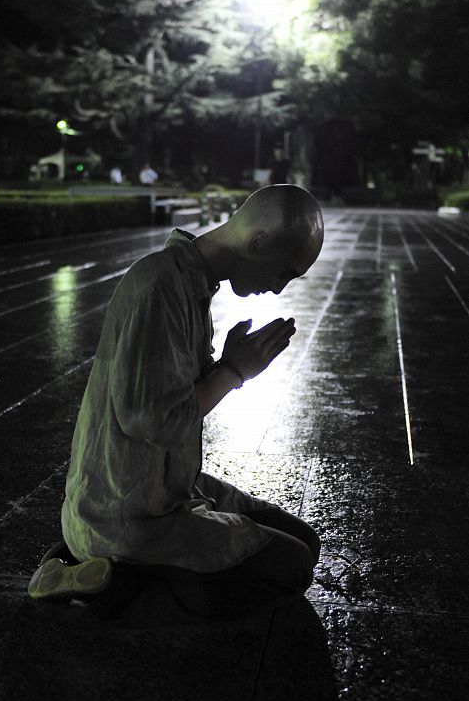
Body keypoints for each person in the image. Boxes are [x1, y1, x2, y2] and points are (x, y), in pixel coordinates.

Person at [28, 184, 324, 608]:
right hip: (126, 510)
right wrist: (233, 372)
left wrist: (226, 366)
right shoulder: (159, 286)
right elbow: (153, 422)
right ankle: (111, 581)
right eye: (285, 273)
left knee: (305, 542)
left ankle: (100, 567)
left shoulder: (190, 284)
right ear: (257, 243)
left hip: (166, 485)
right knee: (291, 567)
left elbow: (173, 393)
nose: (278, 289)